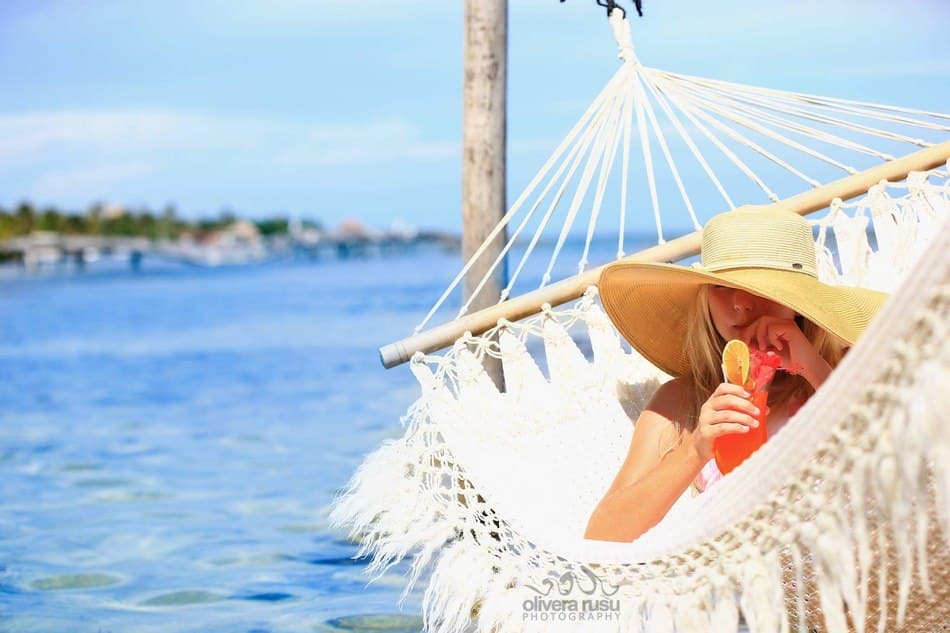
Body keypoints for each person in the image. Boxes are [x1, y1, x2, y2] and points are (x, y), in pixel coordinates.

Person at [584, 206, 887, 542]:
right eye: (722, 287)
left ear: (798, 300)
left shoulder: (842, 372)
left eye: (764, 288)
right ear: (705, 299)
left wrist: (813, 367)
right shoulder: (683, 404)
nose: (741, 303)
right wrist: (696, 449)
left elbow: (901, 471)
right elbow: (603, 537)